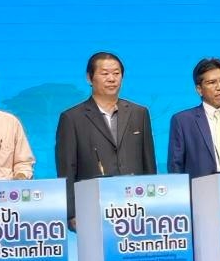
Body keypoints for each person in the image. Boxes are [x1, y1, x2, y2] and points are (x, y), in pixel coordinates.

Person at [54, 51, 157, 217]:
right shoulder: (72, 118)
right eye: (105, 74)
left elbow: (149, 164)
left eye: (116, 73)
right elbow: (67, 169)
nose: (111, 79)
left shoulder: (139, 113)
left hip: (136, 206)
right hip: (93, 206)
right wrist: (72, 213)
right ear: (89, 78)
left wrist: (154, 204)